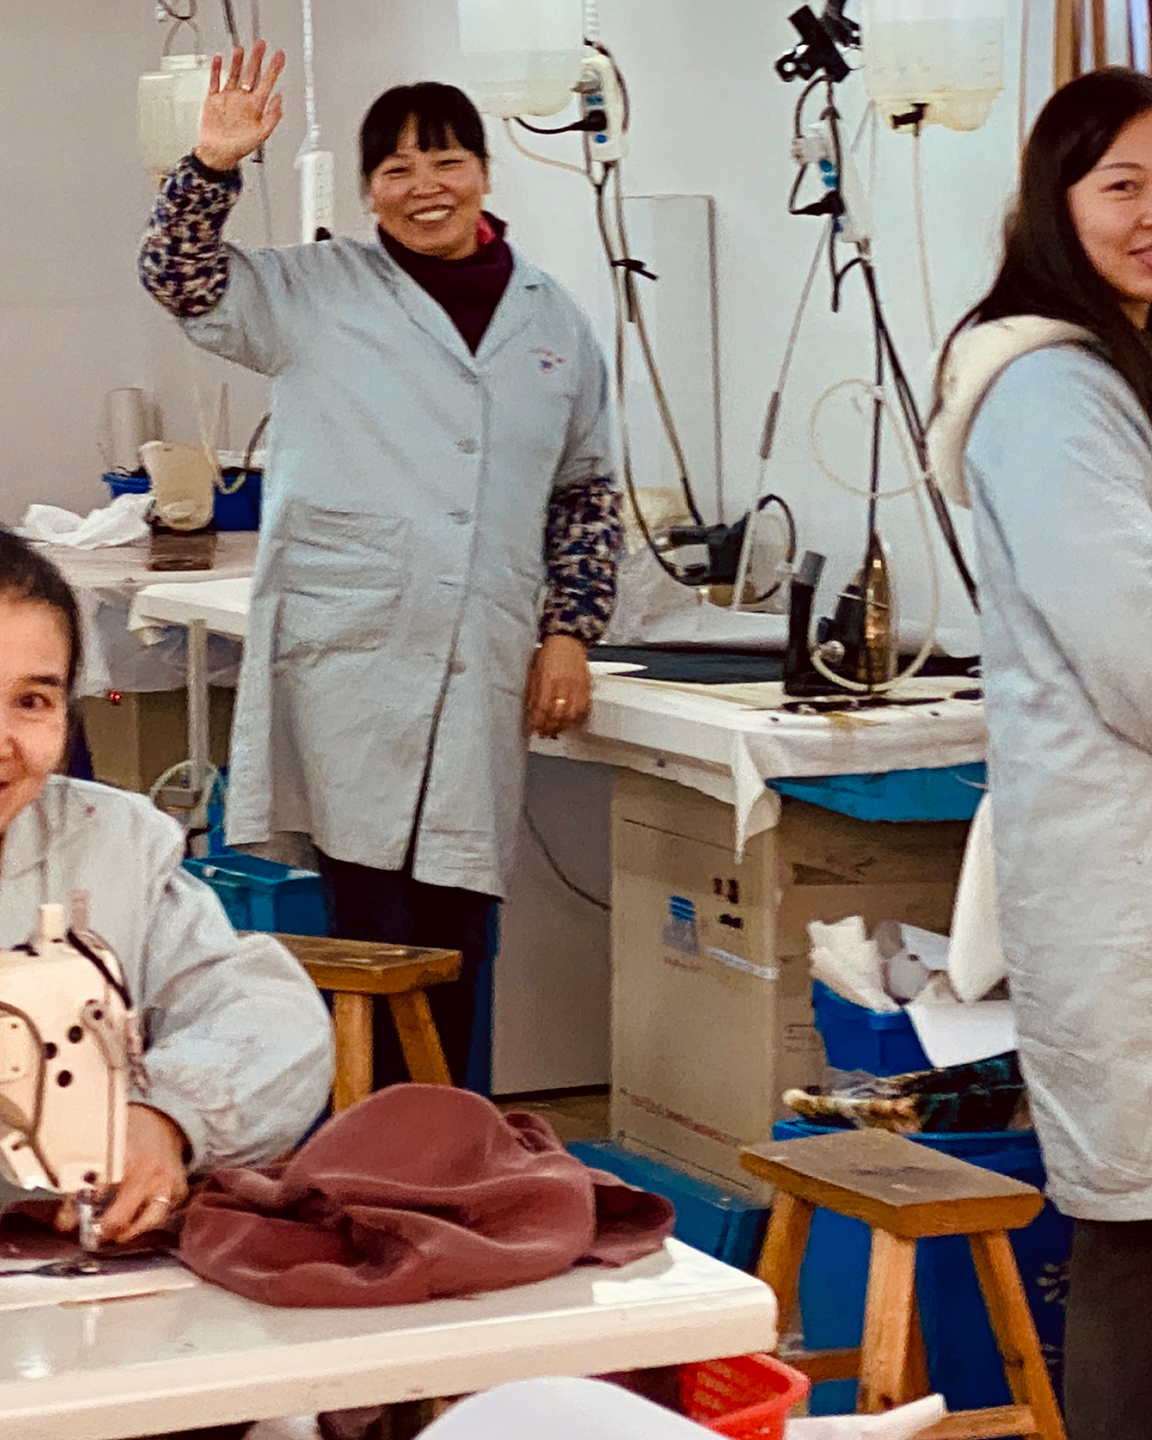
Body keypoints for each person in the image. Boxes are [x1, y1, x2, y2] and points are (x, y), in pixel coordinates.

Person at [138, 45, 622, 1089]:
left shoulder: (552, 320)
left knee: (461, 919)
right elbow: (179, 279)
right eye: (396, 169)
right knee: (369, 918)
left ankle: (450, 1138)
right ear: (368, 191)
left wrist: (570, 633)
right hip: (351, 656)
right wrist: (211, 165)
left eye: (445, 161)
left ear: (483, 172)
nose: (423, 186)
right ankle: (368, 1139)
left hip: (483, 656)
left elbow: (585, 490)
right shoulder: (313, 291)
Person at [0, 528, 334, 1440]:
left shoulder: (108, 847)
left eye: (33, 701)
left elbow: (262, 1011)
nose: (4, 742)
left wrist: (169, 1117)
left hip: (68, 1297)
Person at [931, 68, 1152, 1440]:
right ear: (1054, 206)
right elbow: (1140, 652)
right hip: (1126, 881)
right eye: (1123, 185)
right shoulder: (1052, 391)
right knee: (1138, 1236)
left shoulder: (1122, 375)